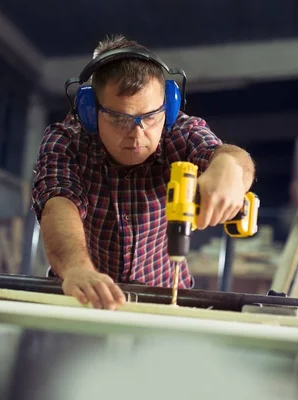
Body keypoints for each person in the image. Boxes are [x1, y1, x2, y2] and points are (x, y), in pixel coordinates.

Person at [31, 35, 255, 310]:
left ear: (169, 107)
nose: (138, 134)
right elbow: (58, 205)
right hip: (82, 295)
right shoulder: (66, 140)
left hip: (166, 297)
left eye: (150, 116)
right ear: (90, 111)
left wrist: (229, 170)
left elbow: (232, 158)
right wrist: (77, 269)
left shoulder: (181, 133)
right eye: (119, 118)